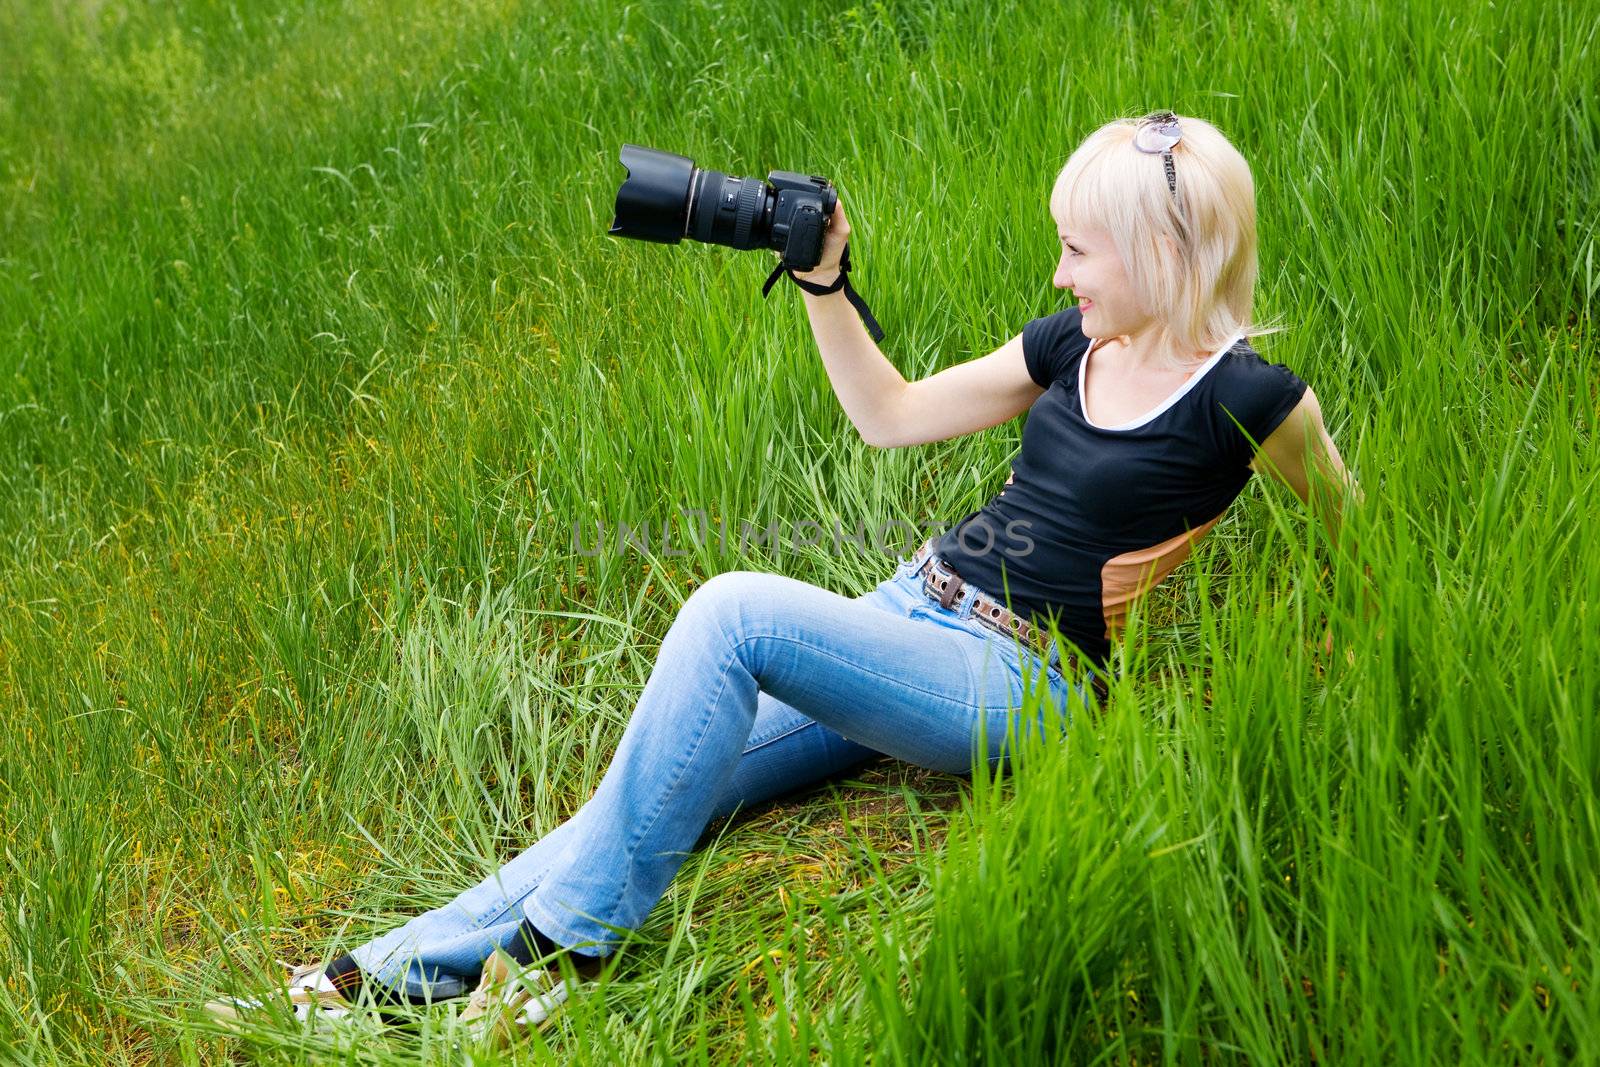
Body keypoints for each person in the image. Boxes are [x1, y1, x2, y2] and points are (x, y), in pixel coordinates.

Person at [203, 110, 1358, 1044]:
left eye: (1076, 248)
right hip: (911, 619)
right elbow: (890, 415)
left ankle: (565, 957)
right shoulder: (1072, 346)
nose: (1058, 271)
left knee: (734, 609)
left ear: (1161, 253)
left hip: (1023, 682)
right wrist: (823, 282)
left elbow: (1362, 542)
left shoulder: (1250, 398)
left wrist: (1338, 659)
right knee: (646, 796)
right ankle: (368, 979)